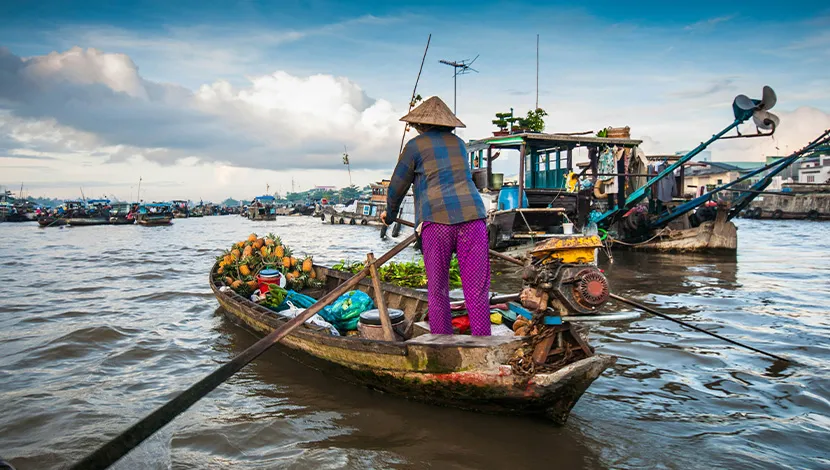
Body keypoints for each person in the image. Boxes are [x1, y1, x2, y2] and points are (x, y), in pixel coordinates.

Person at [381, 96, 491, 336]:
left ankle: (442, 340)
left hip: (437, 222)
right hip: (474, 219)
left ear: (420, 125)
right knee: (477, 288)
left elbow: (397, 186)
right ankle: (483, 340)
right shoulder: (460, 144)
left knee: (438, 287)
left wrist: (389, 216)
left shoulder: (414, 146)